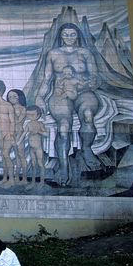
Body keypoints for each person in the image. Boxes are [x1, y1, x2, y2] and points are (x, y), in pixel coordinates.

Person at [35, 22, 102, 186]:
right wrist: (39, 97)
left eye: (73, 34)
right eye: (66, 34)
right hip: (60, 94)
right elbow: (47, 79)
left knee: (87, 115)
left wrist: (88, 84)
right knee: (64, 126)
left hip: (82, 92)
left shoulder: (85, 53)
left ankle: (87, 148)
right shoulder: (53, 54)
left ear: (78, 35)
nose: (69, 38)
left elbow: (95, 76)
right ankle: (63, 166)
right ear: (60, 36)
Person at [19, 105, 49, 188]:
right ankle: (33, 182)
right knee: (33, 164)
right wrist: (18, 142)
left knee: (40, 164)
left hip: (38, 148)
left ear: (38, 115)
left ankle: (42, 182)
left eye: (33, 115)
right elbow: (23, 134)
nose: (30, 117)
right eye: (28, 115)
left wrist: (39, 131)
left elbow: (46, 134)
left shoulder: (40, 124)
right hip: (31, 148)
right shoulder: (28, 124)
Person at [7, 89, 28, 185]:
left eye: (15, 96)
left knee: (21, 155)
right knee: (16, 156)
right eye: (10, 97)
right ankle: (16, 176)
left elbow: (18, 121)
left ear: (20, 97)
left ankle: (24, 177)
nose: (12, 99)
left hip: (19, 133)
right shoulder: (9, 108)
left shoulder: (22, 109)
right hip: (11, 133)